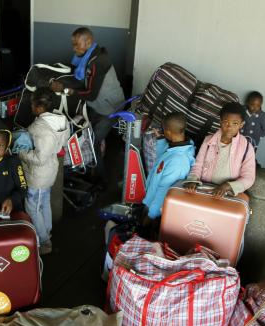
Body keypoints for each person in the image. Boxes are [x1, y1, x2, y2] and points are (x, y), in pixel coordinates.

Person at [49, 27, 125, 188]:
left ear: (88, 42)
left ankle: (101, 181)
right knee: (87, 130)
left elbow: (90, 94)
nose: (74, 48)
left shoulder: (97, 62)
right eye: (73, 44)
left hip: (109, 108)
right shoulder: (92, 56)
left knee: (93, 141)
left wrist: (66, 90)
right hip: (102, 104)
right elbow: (81, 80)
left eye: (77, 45)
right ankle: (92, 169)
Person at [18, 88, 70, 255]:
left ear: (39, 107)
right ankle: (46, 231)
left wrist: (21, 152)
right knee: (43, 202)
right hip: (50, 170)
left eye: (33, 104)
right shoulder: (59, 121)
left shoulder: (41, 128)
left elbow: (39, 158)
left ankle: (44, 241)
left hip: (39, 175)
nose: (31, 107)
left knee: (32, 206)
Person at [184, 102, 256, 197]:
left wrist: (227, 186)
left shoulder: (246, 147)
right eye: (226, 122)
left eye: (235, 123)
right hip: (204, 189)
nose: (229, 127)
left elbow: (248, 178)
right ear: (220, 121)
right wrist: (193, 180)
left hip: (228, 193)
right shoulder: (208, 141)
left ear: (241, 125)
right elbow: (198, 165)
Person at [142, 112, 195, 219]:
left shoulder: (178, 161)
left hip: (156, 211)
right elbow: (165, 157)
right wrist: (161, 140)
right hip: (151, 201)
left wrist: (151, 214)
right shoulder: (177, 147)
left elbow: (164, 191)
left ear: (168, 132)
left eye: (164, 129)